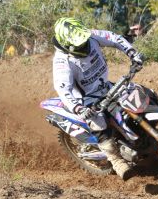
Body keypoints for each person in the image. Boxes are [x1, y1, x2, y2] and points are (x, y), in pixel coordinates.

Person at [52, 17, 145, 179]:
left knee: (142, 93)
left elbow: (114, 38)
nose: (84, 45)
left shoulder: (88, 35)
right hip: (86, 99)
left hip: (106, 86)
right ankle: (116, 161)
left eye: (84, 42)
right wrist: (79, 108)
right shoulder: (62, 62)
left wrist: (132, 53)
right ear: (67, 45)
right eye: (79, 45)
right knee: (99, 123)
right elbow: (63, 89)